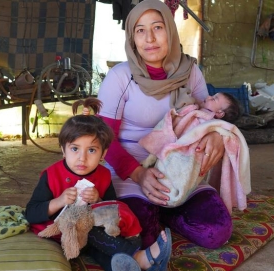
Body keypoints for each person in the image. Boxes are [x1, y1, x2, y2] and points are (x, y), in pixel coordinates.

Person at [97, 0, 234, 250]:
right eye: (140, 30)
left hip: (181, 168)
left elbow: (208, 115)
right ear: (132, 37)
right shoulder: (119, 77)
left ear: (170, 30)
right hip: (131, 167)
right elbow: (103, 140)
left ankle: (168, 211)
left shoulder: (190, 71)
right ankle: (156, 210)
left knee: (216, 232)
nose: (150, 38)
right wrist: (139, 175)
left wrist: (215, 136)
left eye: (158, 27)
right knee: (141, 239)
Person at [24, 97, 172, 271]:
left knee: (102, 246)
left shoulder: (103, 175)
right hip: (60, 233)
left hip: (87, 237)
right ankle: (140, 257)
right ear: (63, 149)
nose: (82, 158)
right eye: (74, 149)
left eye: (92, 150)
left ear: (104, 153)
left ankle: (127, 267)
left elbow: (113, 210)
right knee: (94, 234)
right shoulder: (51, 175)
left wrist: (98, 200)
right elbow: (31, 214)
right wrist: (60, 201)